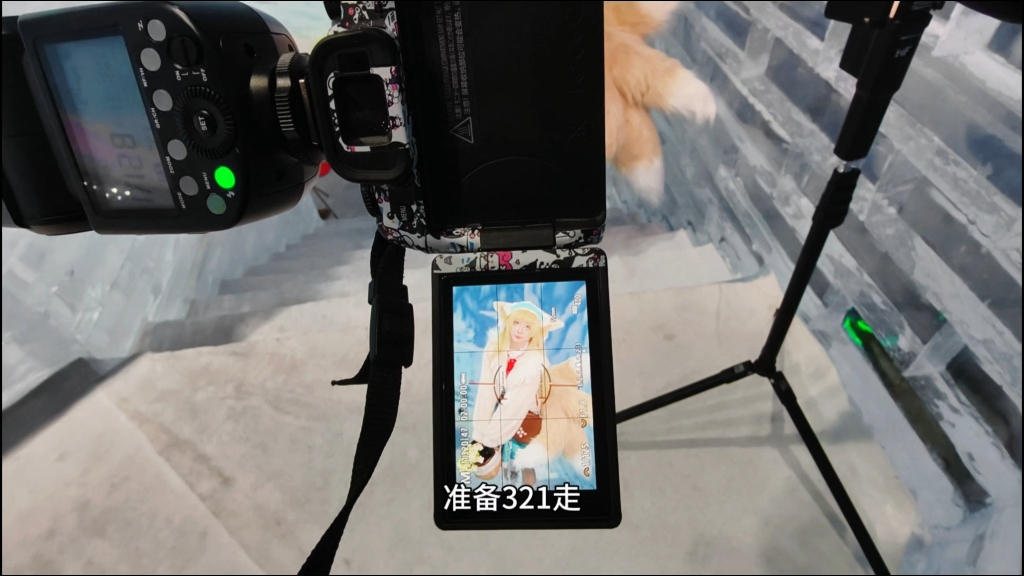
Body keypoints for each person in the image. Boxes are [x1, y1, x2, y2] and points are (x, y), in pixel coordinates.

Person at [465, 301, 562, 486]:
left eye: (528, 327)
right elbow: (486, 392)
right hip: (500, 413)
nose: (520, 330)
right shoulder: (494, 348)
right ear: (509, 321)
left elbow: (515, 405)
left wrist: (489, 440)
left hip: (526, 415)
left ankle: (528, 496)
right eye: (516, 322)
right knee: (506, 466)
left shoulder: (535, 362)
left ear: (535, 332)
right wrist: (479, 434)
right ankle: (510, 493)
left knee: (524, 463)